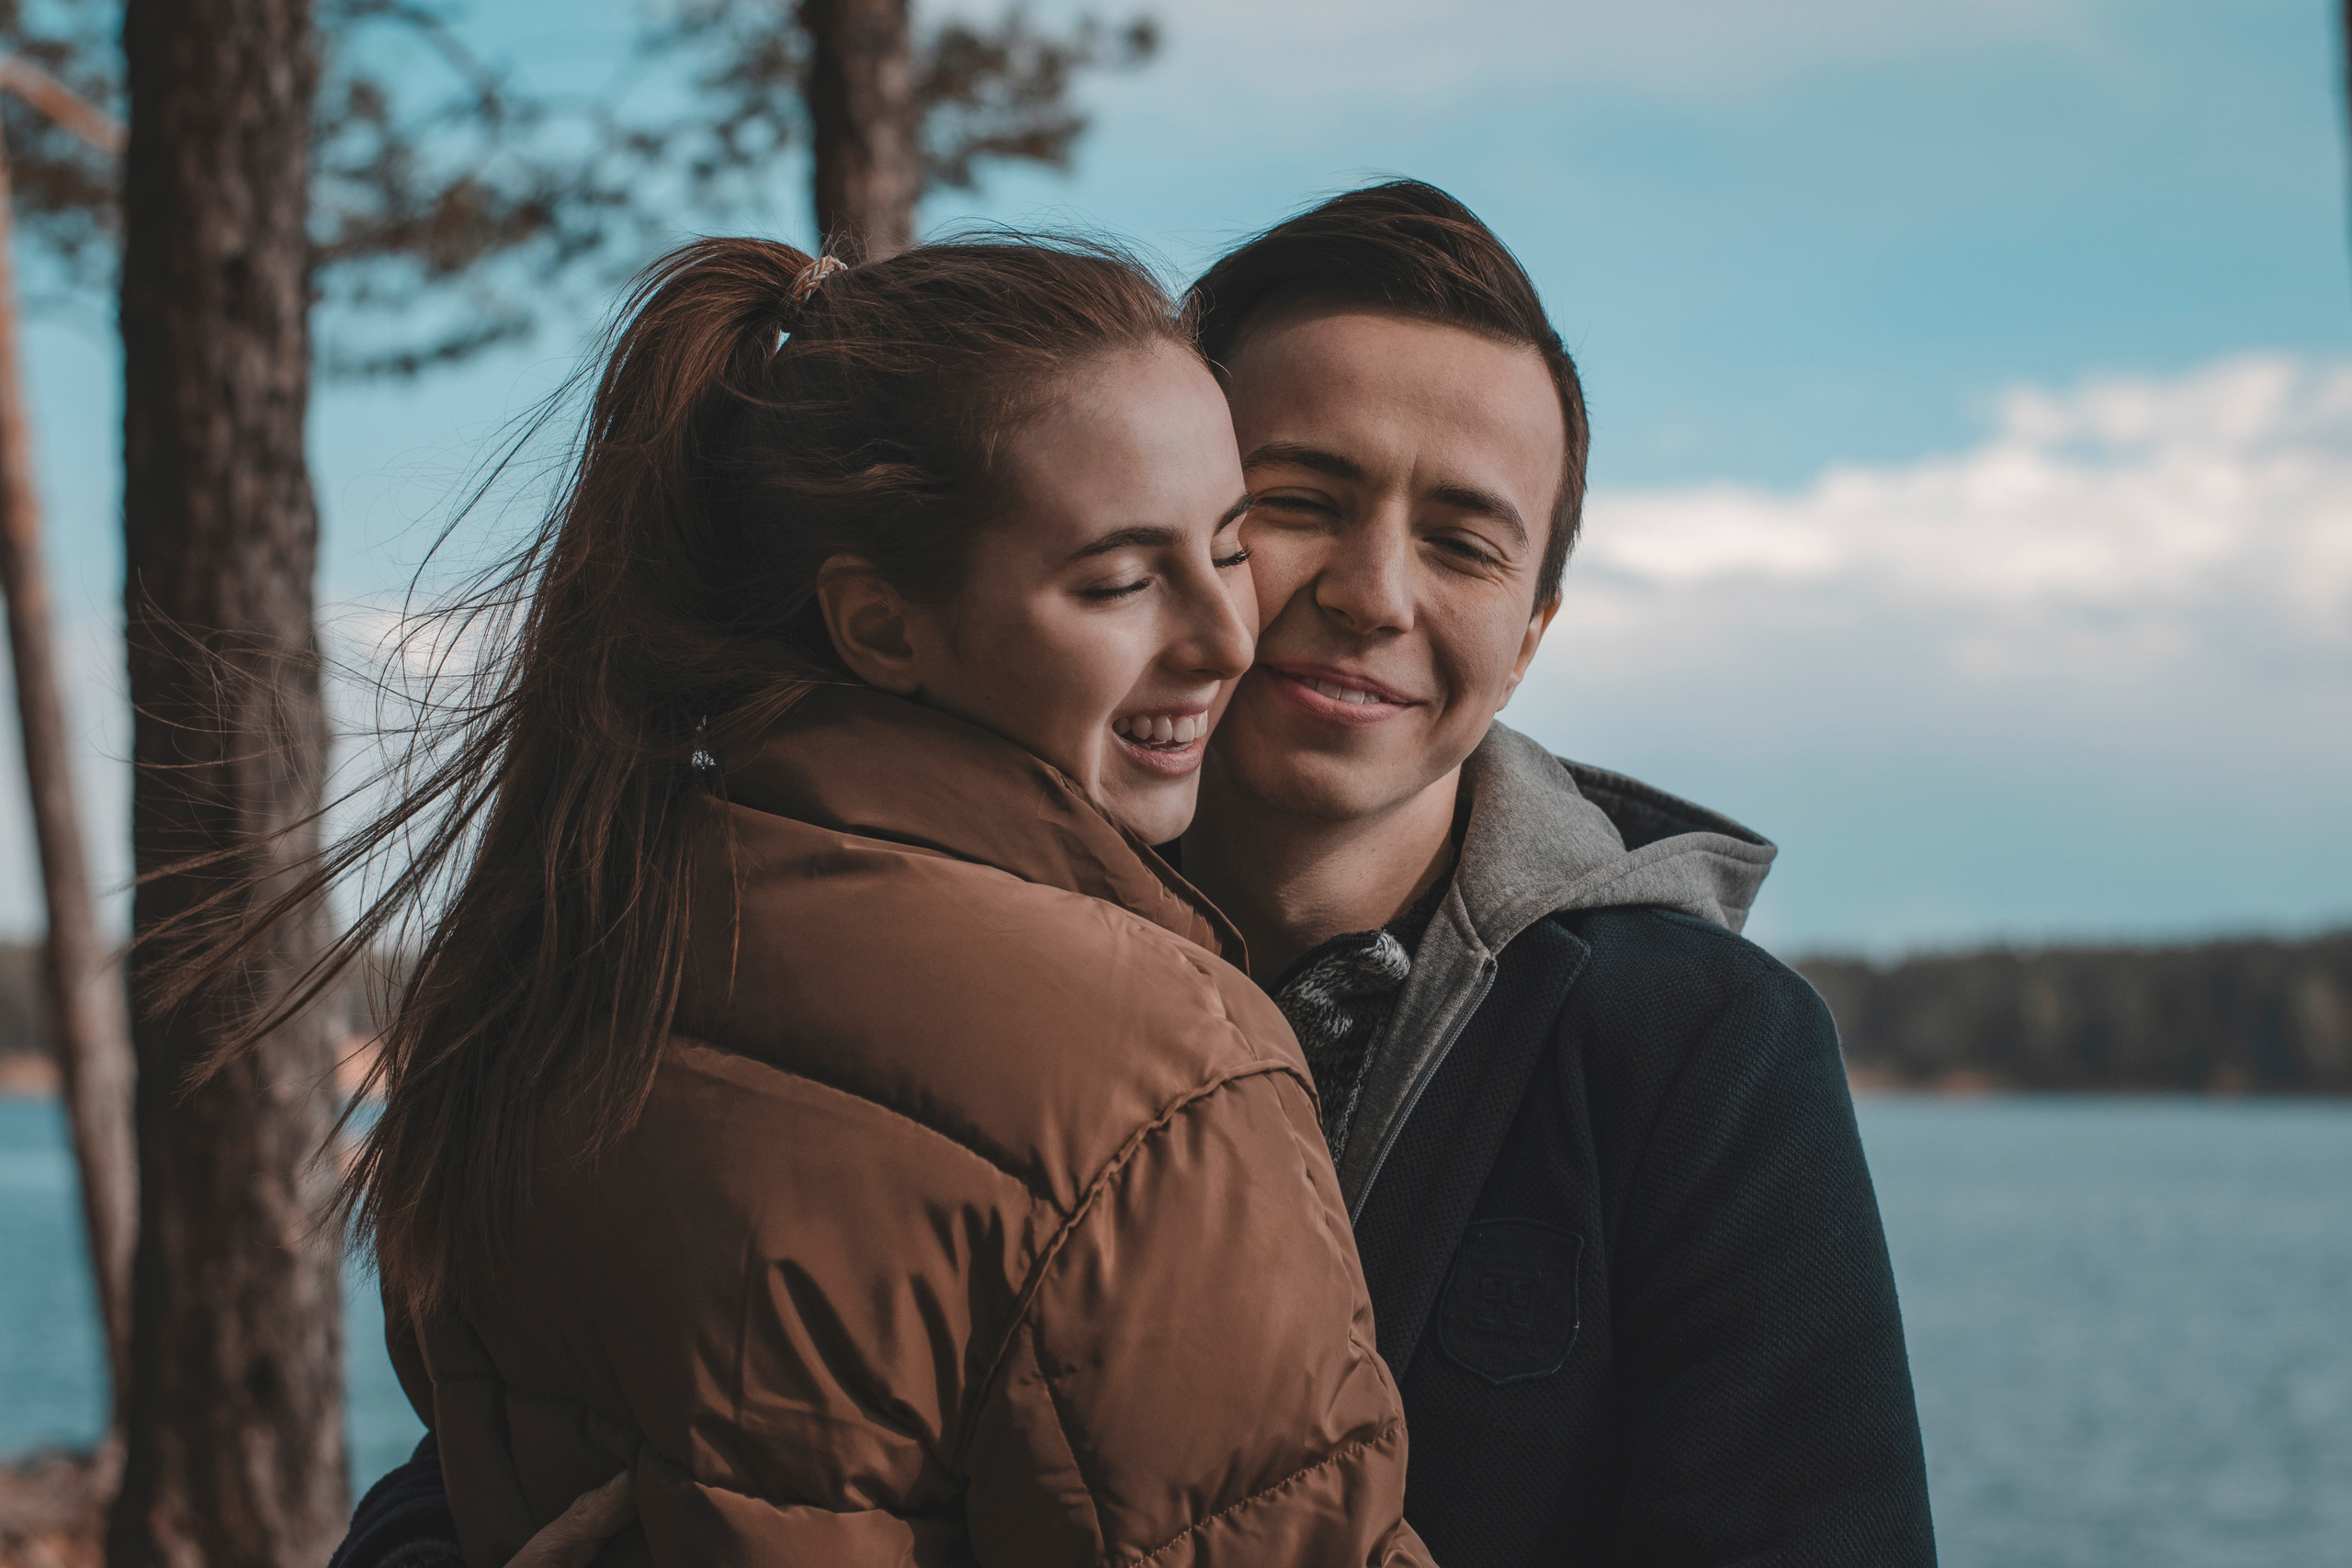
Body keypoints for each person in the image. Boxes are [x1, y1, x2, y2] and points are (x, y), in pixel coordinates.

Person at [338, 183, 1937, 1567]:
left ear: (1529, 636)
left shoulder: (1698, 1055)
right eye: (1296, 507)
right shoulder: (826, 949)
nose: (1369, 593)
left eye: (1464, 541)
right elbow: (534, 1428)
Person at [299, 234, 1433, 1566]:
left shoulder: (577, 935)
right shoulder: (1159, 1069)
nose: (1227, 636)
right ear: (882, 627)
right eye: (1122, 580)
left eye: (1230, 548)